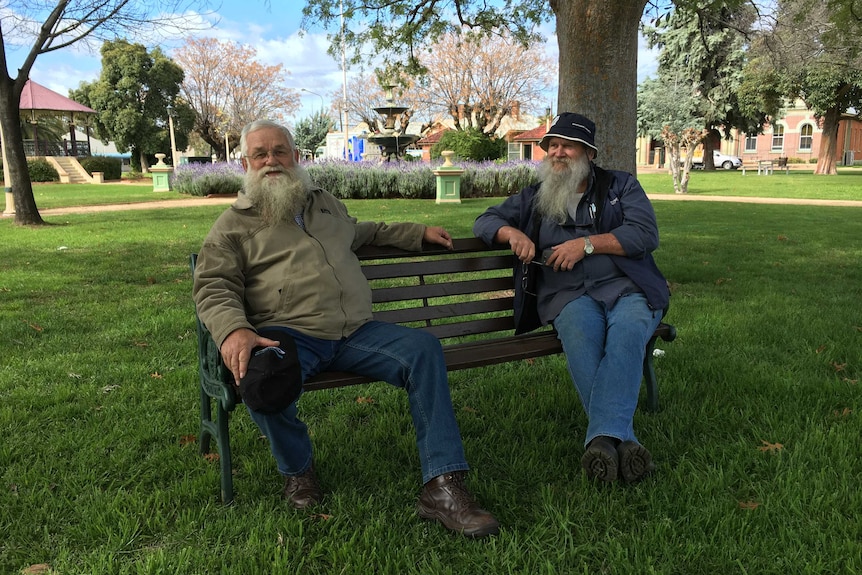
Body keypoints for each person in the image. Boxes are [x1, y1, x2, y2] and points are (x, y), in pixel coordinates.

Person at [193, 119, 499, 537]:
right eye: (260, 154)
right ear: (246, 163)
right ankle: (299, 471)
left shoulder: (323, 203)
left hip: (354, 332)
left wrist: (417, 232)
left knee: (423, 350)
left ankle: (443, 486)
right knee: (262, 380)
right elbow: (213, 284)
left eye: (280, 151)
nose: (271, 161)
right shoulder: (233, 226)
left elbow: (360, 232)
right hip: (290, 335)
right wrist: (233, 331)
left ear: (296, 157)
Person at [473, 112, 669, 484]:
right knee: (580, 338)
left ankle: (603, 442)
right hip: (566, 295)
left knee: (628, 333)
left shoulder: (621, 186)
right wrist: (510, 234)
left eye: (567, 146)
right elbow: (484, 220)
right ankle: (624, 444)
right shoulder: (534, 197)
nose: (557, 153)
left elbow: (645, 234)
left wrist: (588, 244)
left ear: (588, 153)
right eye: (552, 146)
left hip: (626, 287)